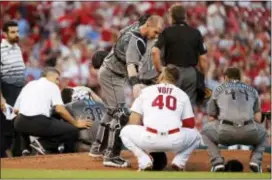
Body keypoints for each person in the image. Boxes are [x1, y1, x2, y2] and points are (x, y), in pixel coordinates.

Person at [89, 15, 164, 168]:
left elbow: (120, 33)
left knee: (111, 112)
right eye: (156, 32)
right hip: (112, 75)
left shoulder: (134, 26)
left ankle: (98, 148)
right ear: (148, 24)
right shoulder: (137, 41)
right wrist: (136, 84)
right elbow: (131, 65)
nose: (156, 36)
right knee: (121, 114)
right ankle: (112, 155)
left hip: (109, 70)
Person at [120, 64, 203, 171]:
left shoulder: (146, 91)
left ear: (161, 76)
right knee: (196, 136)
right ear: (177, 79)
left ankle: (144, 160)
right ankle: (179, 161)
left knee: (125, 132)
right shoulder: (182, 94)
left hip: (149, 139)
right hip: (174, 141)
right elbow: (190, 125)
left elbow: (133, 121)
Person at [201, 67, 267, 173]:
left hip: (225, 131)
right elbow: (258, 119)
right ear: (239, 77)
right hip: (249, 131)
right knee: (263, 133)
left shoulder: (218, 89)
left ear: (226, 77)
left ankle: (217, 162)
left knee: (205, 132)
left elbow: (211, 118)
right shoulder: (253, 91)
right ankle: (256, 161)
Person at [13, 67, 92, 154]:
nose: (58, 82)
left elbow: (16, 110)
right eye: (57, 79)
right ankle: (42, 145)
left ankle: (26, 148)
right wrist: (76, 123)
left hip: (19, 124)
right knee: (72, 131)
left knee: (25, 118)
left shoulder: (29, 85)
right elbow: (60, 109)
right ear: (48, 76)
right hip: (37, 122)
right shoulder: (52, 85)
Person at [152, 4, 207, 106]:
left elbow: (155, 51)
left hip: (171, 72)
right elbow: (203, 59)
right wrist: (202, 75)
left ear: (171, 17)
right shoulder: (196, 33)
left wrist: (160, 69)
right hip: (190, 74)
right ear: (185, 17)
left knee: (169, 107)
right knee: (187, 109)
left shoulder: (166, 32)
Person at [0, 21, 26, 157]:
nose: (16, 35)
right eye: (13, 32)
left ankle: (18, 158)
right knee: (7, 129)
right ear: (4, 34)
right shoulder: (1, 50)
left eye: (17, 31)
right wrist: (1, 99)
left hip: (19, 92)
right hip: (7, 91)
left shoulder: (17, 48)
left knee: (18, 128)